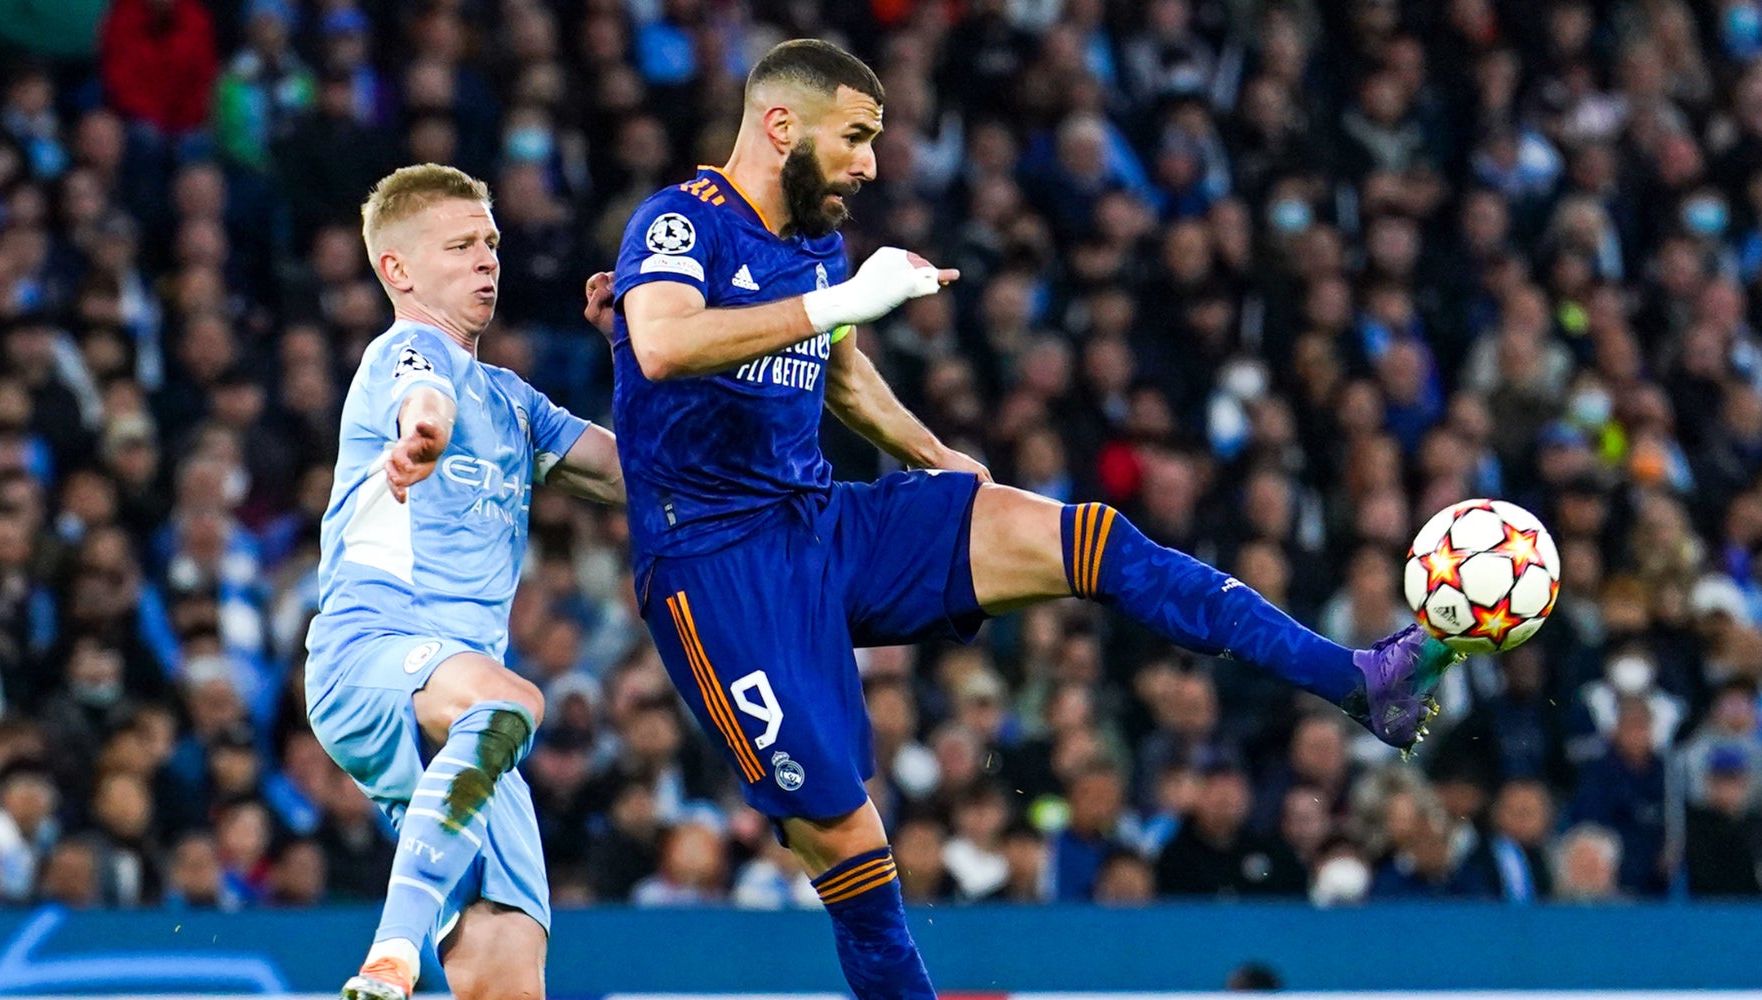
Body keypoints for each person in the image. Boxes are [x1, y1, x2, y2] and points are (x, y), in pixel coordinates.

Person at [591, 39, 1457, 999]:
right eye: (857, 138)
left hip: (824, 524)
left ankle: (1357, 679)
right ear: (780, 125)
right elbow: (662, 341)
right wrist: (840, 300)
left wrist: (934, 456)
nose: (872, 163)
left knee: (1090, 539)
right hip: (715, 566)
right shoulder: (680, 220)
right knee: (847, 833)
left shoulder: (813, 239)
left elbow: (833, 365)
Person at [305, 164, 623, 1000]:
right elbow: (426, 398)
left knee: (510, 975)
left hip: (467, 730)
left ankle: (409, 951)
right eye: (461, 245)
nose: (487, 260)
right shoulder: (402, 351)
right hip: (375, 653)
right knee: (513, 700)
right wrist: (421, 440)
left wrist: (637, 348)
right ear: (399, 270)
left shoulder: (516, 401)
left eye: (491, 242)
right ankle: (393, 949)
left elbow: (640, 474)